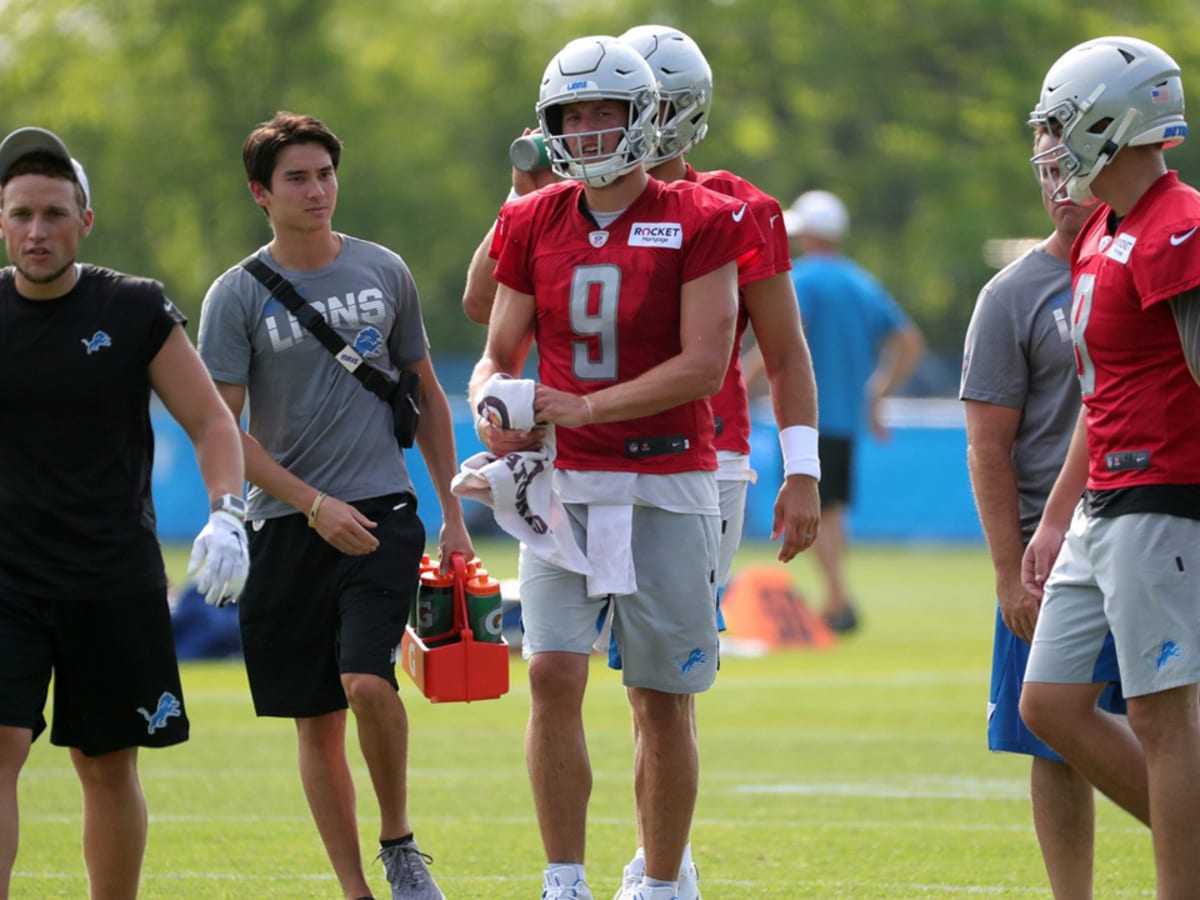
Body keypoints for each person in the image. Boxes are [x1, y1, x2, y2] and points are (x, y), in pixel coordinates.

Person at [467, 36, 762, 900]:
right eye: (572, 115)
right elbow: (494, 352)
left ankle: (663, 881)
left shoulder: (701, 217)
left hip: (669, 478)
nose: (588, 130)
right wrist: (493, 404)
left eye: (605, 112)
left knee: (662, 694)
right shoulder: (530, 218)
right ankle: (564, 880)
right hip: (564, 486)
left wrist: (586, 406)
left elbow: (708, 365)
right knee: (551, 672)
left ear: (644, 118)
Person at [197, 112, 471, 900]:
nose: (316, 190)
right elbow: (223, 431)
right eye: (296, 178)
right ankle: (353, 889)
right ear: (261, 193)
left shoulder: (385, 270)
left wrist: (451, 516)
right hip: (284, 525)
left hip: (384, 511)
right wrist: (312, 505)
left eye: (324, 173)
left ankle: (398, 843)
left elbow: (424, 395)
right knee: (315, 721)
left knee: (366, 683)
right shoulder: (236, 294)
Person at [600, 24, 821, 900]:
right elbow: (483, 305)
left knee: (662, 682)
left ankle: (665, 871)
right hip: (592, 457)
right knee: (624, 678)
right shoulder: (571, 206)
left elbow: (788, 352)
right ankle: (660, 857)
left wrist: (800, 467)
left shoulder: (735, 207)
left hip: (704, 457)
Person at [0, 126, 249, 899]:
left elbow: (211, 421)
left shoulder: (133, 306)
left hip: (110, 573)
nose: (36, 231)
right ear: (1, 221)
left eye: (53, 213)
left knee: (105, 763)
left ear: (85, 220)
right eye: (20, 215)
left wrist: (228, 513)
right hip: (5, 576)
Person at [1018, 36, 1200, 898]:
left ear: (1109, 120)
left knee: (1165, 721)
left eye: (1061, 124)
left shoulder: (1180, 224)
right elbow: (1103, 396)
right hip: (1105, 498)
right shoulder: (1102, 226)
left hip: (1165, 494)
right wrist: (1057, 516)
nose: (1050, 145)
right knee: (1047, 704)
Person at [960, 124, 1148, 898]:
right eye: (1049, 173)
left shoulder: (1154, 263)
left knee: (1170, 722)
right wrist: (1010, 571)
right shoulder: (1011, 293)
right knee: (1051, 737)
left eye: (1073, 171)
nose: (1060, 189)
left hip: (1147, 523)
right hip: (1052, 552)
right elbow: (987, 446)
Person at [746, 189, 924, 633]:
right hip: (844, 416)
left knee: (811, 508)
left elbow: (782, 338)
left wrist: (739, 385)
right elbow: (909, 341)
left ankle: (837, 597)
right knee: (833, 509)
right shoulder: (862, 283)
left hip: (803, 416)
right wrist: (876, 393)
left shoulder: (800, 279)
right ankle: (834, 594)